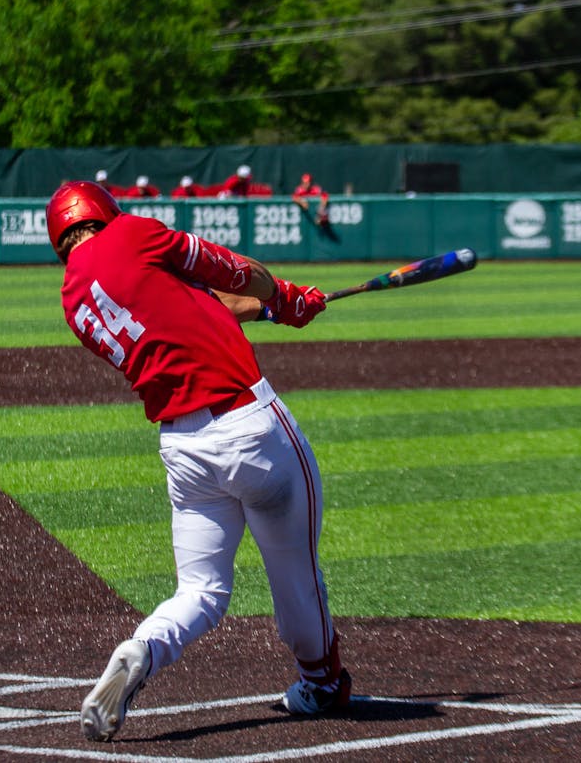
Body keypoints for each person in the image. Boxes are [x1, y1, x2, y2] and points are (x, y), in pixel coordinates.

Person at [44, 180, 350, 742]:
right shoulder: (131, 235)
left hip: (184, 450)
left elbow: (195, 312)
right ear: (106, 213)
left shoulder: (73, 298)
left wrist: (276, 310)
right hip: (251, 426)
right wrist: (283, 294)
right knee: (295, 574)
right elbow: (229, 271)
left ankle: (142, 648)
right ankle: (321, 682)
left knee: (200, 592)